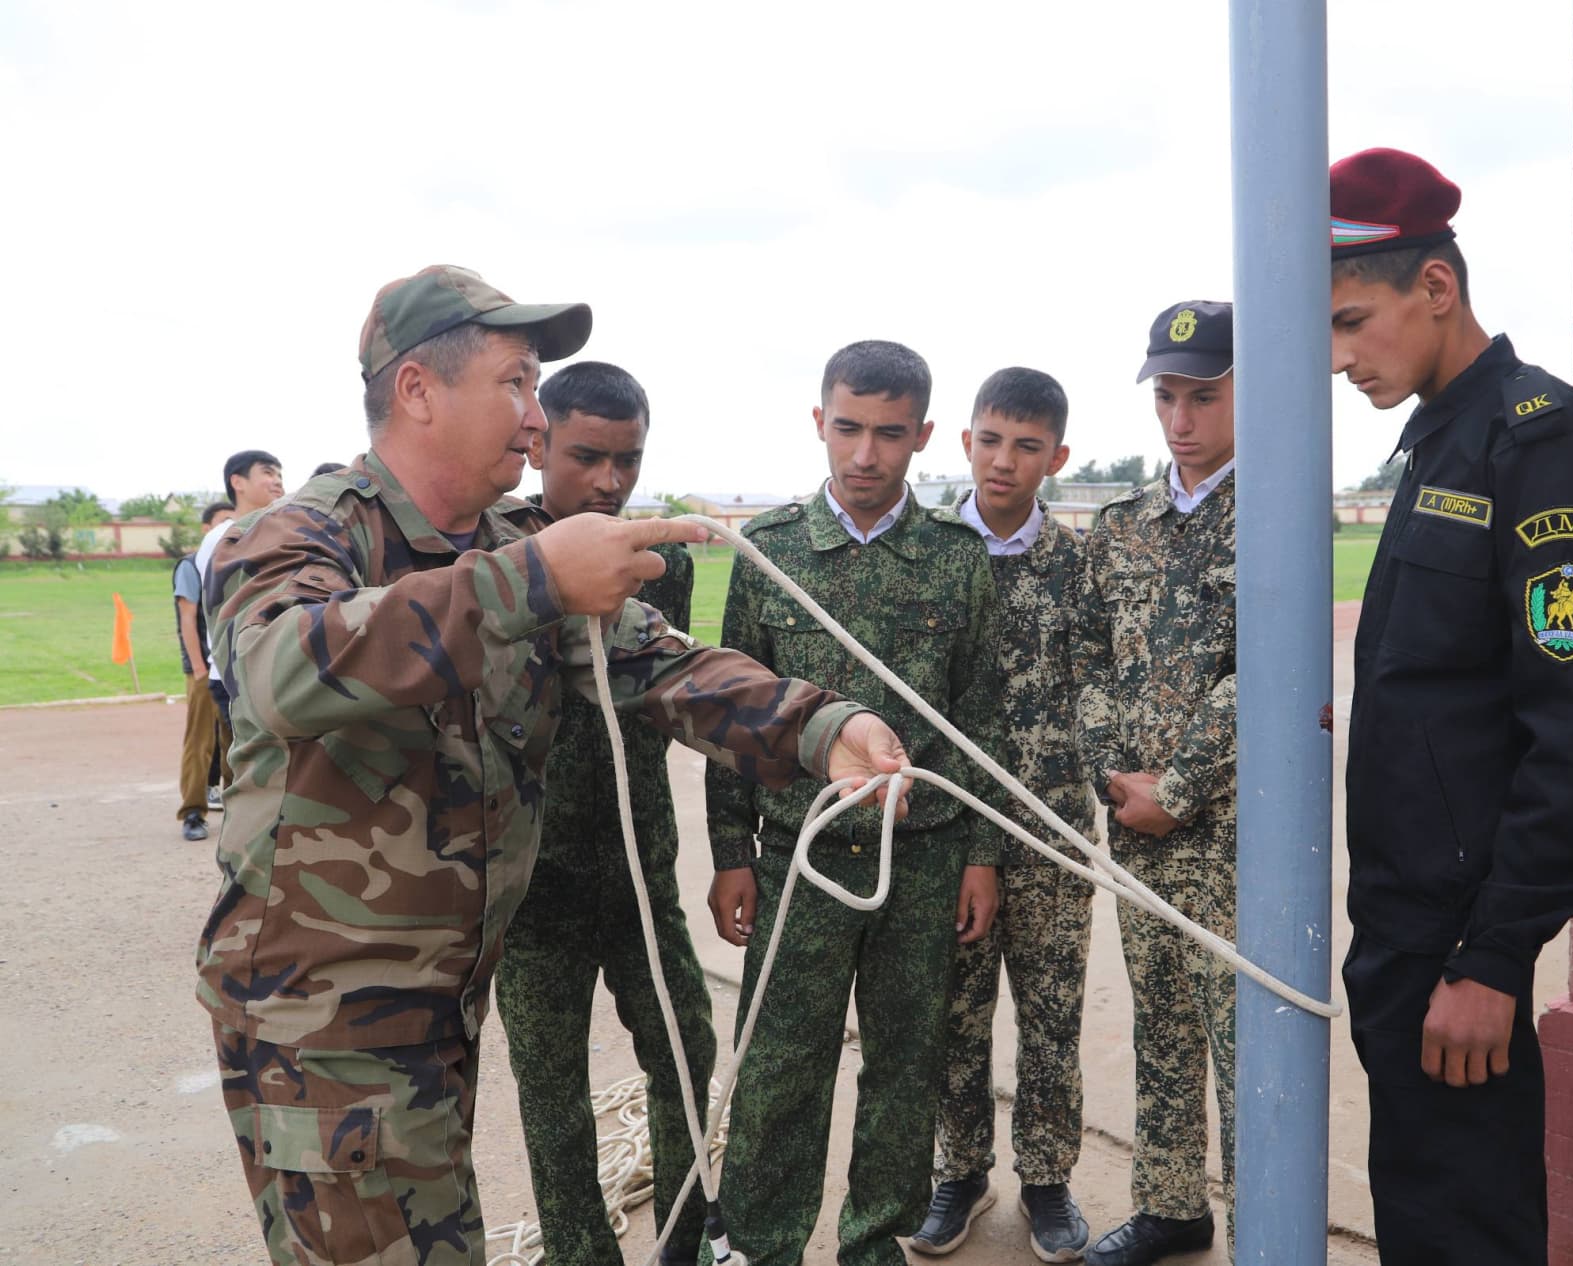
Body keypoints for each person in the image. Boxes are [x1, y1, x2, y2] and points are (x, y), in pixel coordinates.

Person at [196, 265, 911, 1266]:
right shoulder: (311, 531)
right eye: (517, 384)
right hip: (323, 1032)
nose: (535, 421)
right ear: (418, 391)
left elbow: (660, 664)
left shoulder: (501, 546)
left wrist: (822, 726)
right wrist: (530, 580)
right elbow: (279, 667)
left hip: (433, 1014)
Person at [1331, 148, 1573, 1264]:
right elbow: (1448, 672)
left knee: (1463, 1223)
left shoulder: (1538, 436)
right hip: (1406, 915)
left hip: (1459, 933)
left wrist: (1495, 958)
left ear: (1435, 288)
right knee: (1426, 1207)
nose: (1338, 358)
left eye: (1351, 320)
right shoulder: (1438, 441)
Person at [704, 339, 1003, 1266]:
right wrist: (729, 852)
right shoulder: (773, 553)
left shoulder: (959, 560)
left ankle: (875, 1244)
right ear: (819, 421)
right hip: (799, 857)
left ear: (920, 435)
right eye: (847, 429)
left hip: (921, 859)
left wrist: (982, 854)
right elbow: (732, 716)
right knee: (781, 1065)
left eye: (886, 434)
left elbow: (980, 720)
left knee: (906, 1070)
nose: (864, 455)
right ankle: (759, 1245)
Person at [492, 359, 717, 1266]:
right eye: (588, 456)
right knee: (551, 1091)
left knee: (687, 1057)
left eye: (628, 459)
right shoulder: (497, 563)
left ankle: (688, 1241)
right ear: (539, 442)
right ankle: (583, 1254)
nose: (611, 481)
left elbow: (673, 697)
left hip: (638, 866)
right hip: (532, 885)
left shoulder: (664, 564)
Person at [913, 367, 1095, 1262]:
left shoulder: (1080, 566)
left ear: (1056, 457)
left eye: (1026, 447)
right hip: (951, 832)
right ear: (965, 441)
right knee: (956, 1013)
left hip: (1053, 832)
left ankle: (1049, 1180)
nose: (1003, 461)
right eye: (990, 441)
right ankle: (959, 1173)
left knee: (1053, 1014)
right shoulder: (931, 553)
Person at [1075, 301, 1237, 1266]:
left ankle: (1270, 1218)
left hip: (1230, 831)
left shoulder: (1275, 514)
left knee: (1244, 1034)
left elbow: (1264, 673)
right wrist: (1113, 778)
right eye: (1167, 397)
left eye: (1203, 396)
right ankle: (1174, 1205)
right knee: (1162, 1019)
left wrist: (1179, 785)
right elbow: (1089, 662)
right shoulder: (1122, 526)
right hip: (1135, 825)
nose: (1180, 419)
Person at [194, 448, 282, 727]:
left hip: (274, 667)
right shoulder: (222, 537)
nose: (278, 481)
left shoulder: (281, 529)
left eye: (280, 474)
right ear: (238, 482)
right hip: (238, 673)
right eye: (268, 472)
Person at [173, 500, 234, 840]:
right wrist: (198, 667)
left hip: (230, 667)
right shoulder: (191, 566)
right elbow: (187, 618)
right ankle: (193, 812)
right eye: (223, 522)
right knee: (200, 742)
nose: (230, 528)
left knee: (234, 741)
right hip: (203, 668)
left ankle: (236, 809)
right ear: (206, 529)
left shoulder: (233, 561)